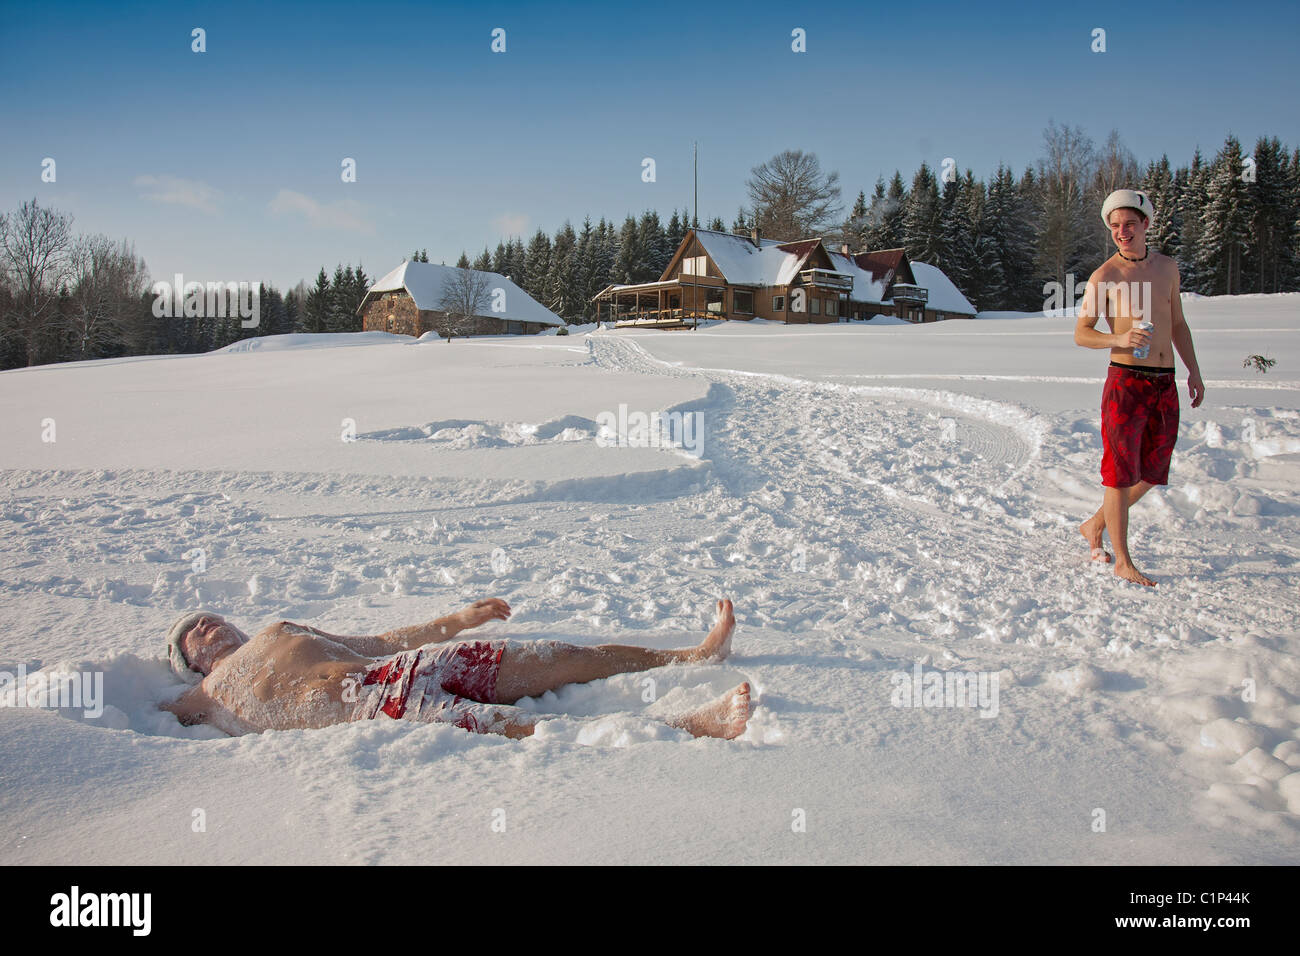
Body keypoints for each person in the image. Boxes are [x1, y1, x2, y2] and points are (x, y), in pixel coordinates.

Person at [159, 597, 751, 740]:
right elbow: (136, 740)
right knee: (529, 732)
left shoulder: (281, 630)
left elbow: (382, 638)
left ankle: (694, 655)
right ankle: (693, 726)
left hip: (410, 666)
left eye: (211, 619)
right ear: (194, 663)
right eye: (195, 634)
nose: (209, 627)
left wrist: (460, 620)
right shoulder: (208, 695)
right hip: (382, 708)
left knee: (566, 658)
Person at [1073, 188, 1205, 586]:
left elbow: (1178, 324)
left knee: (1151, 471)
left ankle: (1095, 524)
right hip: (1126, 383)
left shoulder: (1167, 268)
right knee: (1119, 475)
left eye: (1129, 224)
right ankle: (1122, 561)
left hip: (1165, 383)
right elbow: (1082, 333)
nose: (1122, 232)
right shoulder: (1106, 276)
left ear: (1146, 223)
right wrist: (1119, 338)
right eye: (1114, 226)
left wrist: (1193, 372)